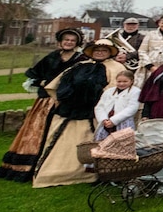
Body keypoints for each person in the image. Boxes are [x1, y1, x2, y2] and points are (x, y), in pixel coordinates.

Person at [33, 39, 127, 188]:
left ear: (110, 52)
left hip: (96, 112)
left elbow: (118, 91)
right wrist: (69, 97)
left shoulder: (116, 68)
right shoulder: (79, 66)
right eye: (97, 50)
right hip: (70, 110)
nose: (100, 52)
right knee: (64, 141)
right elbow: (59, 85)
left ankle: (91, 173)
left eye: (104, 50)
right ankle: (56, 173)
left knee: (91, 141)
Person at [0, 28, 86, 182]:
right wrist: (43, 82)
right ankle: (29, 166)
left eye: (72, 40)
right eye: (66, 40)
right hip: (45, 102)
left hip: (67, 101)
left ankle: (54, 166)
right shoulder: (51, 57)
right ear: (60, 41)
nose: (69, 42)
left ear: (77, 43)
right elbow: (34, 78)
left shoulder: (81, 59)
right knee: (37, 132)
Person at [93, 69, 141, 142]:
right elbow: (100, 106)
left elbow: (132, 108)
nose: (121, 84)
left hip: (123, 121)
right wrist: (103, 119)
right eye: (119, 81)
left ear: (131, 81)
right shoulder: (109, 91)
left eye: (125, 81)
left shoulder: (135, 92)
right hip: (106, 123)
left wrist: (114, 120)